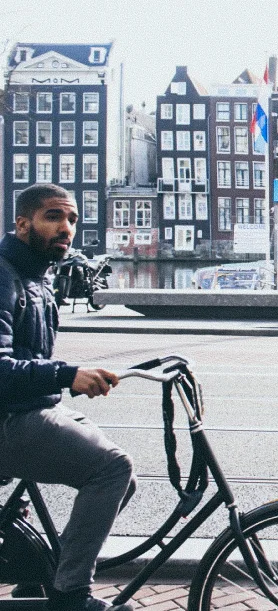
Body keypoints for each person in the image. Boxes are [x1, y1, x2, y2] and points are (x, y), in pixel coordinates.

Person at [0, 184, 135, 611]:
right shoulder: (4, 276)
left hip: (29, 407)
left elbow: (28, 360)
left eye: (72, 219)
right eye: (54, 217)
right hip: (8, 419)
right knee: (112, 469)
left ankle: (44, 573)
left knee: (123, 479)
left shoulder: (37, 278)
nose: (66, 228)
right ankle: (70, 595)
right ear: (23, 224)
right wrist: (66, 375)